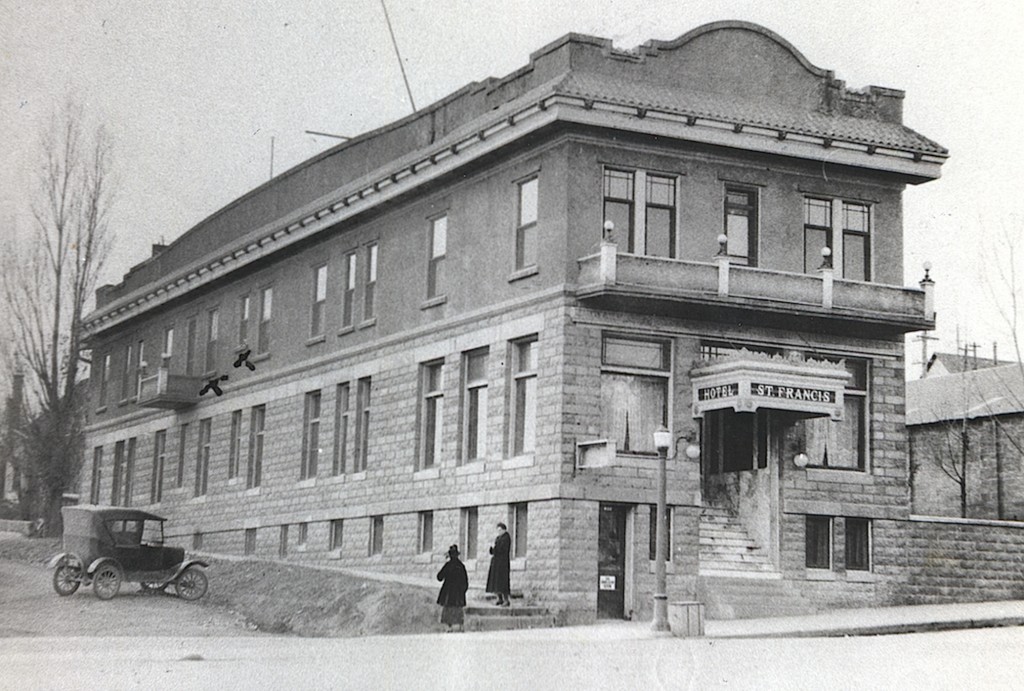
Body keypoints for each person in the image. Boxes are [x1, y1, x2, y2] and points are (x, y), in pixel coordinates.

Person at [436, 544, 469, 632]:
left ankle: (449, 627)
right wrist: (462, 591)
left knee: (448, 609)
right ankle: (460, 626)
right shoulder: (461, 566)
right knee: (458, 609)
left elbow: (439, 577)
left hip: (448, 592)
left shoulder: (448, 565)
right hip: (458, 593)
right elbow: (465, 582)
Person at [485, 522, 511, 606]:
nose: (498, 532)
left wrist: (495, 549)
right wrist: (491, 549)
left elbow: (502, 549)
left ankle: (506, 600)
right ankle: (499, 598)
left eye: (500, 530)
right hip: (496, 563)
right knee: (496, 581)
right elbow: (495, 550)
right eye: (498, 530)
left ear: (504, 530)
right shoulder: (498, 538)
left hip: (503, 563)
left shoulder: (506, 538)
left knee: (503, 582)